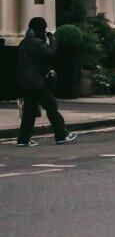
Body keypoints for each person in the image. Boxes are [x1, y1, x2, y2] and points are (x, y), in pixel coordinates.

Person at [15, 18, 77, 147]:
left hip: (25, 83)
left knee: (29, 111)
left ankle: (23, 140)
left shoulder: (23, 42)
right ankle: (62, 135)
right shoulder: (36, 43)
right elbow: (51, 54)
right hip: (37, 83)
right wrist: (53, 41)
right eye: (44, 28)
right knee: (51, 107)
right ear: (41, 29)